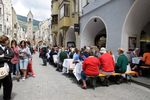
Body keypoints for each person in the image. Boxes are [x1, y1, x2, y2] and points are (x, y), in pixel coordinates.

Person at [0, 35, 14, 100]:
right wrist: (6, 58)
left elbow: (12, 55)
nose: (8, 41)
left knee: (8, 86)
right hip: (0, 69)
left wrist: (3, 56)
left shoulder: (8, 48)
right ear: (4, 40)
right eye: (7, 40)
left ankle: (7, 98)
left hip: (7, 70)